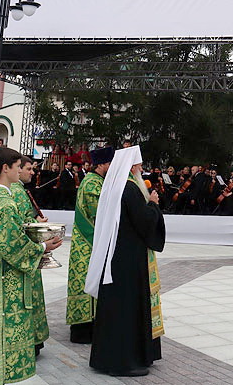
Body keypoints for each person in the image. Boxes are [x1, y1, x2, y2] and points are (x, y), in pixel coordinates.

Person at [0, 147, 62, 385]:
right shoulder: (4, 204)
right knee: (3, 326)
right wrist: (43, 248)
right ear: (5, 168)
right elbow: (12, 246)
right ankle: (0, 373)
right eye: (18, 166)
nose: (21, 170)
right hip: (2, 279)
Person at [86, 145, 165, 377]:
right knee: (126, 311)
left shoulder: (115, 186)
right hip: (127, 261)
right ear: (132, 166)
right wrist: (153, 204)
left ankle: (106, 358)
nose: (142, 169)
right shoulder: (129, 188)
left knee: (115, 309)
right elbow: (144, 222)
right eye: (139, 165)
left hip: (116, 257)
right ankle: (124, 362)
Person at [67, 146, 112, 343]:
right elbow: (100, 212)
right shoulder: (93, 183)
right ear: (102, 164)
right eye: (110, 163)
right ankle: (83, 330)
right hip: (87, 241)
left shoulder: (97, 181)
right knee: (86, 282)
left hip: (91, 241)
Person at [10, 156, 49, 355]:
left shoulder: (18, 190)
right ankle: (32, 339)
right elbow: (23, 223)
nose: (32, 173)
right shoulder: (16, 191)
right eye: (28, 169)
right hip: (27, 250)